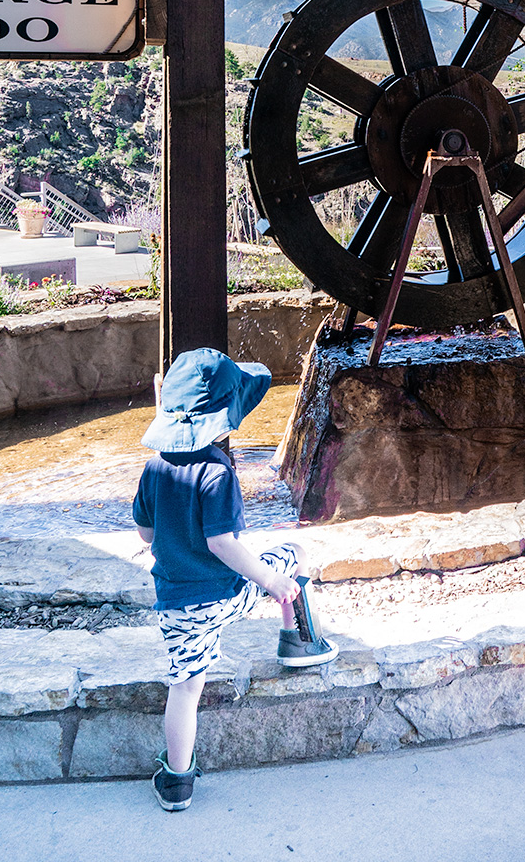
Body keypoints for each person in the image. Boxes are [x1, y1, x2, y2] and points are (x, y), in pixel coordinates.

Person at [133, 348, 338, 812]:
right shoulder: (217, 472)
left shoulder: (153, 469)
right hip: (228, 595)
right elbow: (223, 544)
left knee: (186, 689)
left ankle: (177, 784)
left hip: (178, 606)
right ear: (224, 420)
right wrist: (269, 580)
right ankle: (298, 640)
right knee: (295, 554)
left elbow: (146, 533)